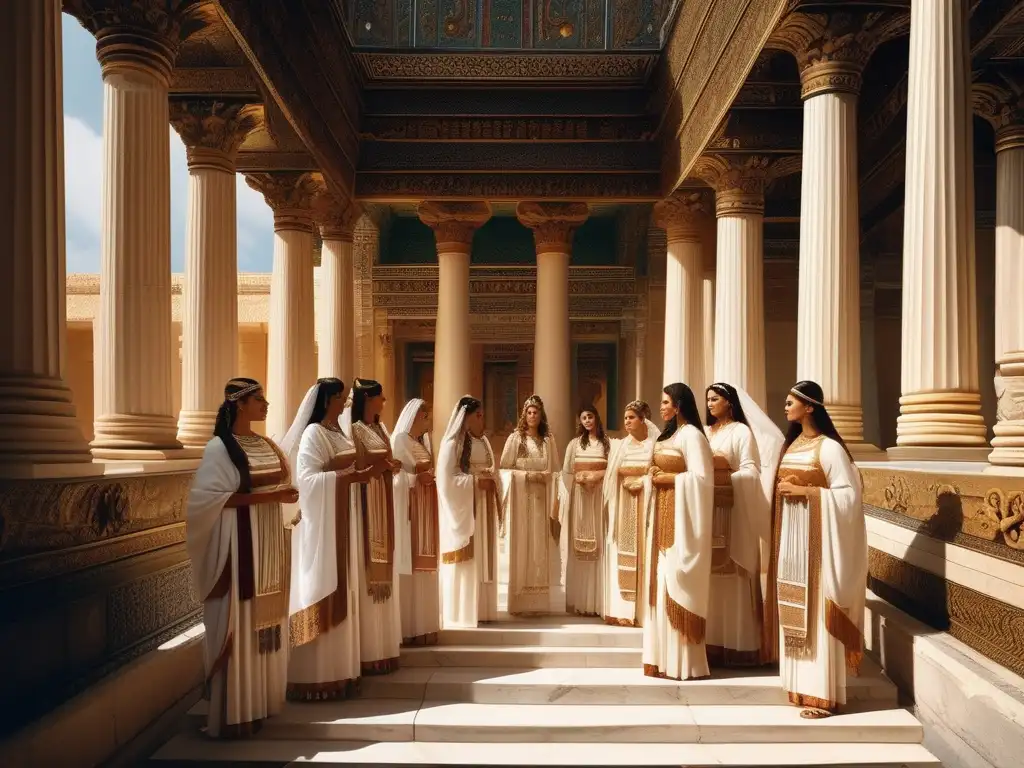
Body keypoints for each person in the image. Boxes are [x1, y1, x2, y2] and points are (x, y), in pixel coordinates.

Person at [186, 378, 298, 737]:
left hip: (267, 547)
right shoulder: (220, 448)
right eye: (258, 399)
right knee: (240, 620)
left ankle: (259, 703)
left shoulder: (266, 444)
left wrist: (283, 496)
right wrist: (272, 498)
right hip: (238, 550)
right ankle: (233, 712)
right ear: (239, 404)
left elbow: (280, 484)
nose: (265, 405)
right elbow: (211, 500)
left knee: (263, 626)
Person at [765, 380, 866, 719]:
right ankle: (799, 686)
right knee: (794, 607)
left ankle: (822, 693)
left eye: (791, 401)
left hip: (819, 546)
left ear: (810, 407)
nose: (785, 406)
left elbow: (849, 497)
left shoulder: (830, 449)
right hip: (792, 539)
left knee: (816, 612)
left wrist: (807, 493)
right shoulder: (792, 446)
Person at [278, 378, 363, 701]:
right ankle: (313, 677)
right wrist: (344, 475)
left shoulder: (338, 432)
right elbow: (308, 480)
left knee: (345, 587)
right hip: (322, 527)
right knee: (318, 587)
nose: (344, 403)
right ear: (327, 400)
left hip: (343, 519)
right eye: (340, 398)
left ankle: (339, 673)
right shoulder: (314, 433)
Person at [703, 382, 783, 667]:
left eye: (715, 399)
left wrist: (725, 478)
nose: (710, 403)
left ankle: (739, 645)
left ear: (728, 401)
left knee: (733, 577)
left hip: (734, 512)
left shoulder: (741, 432)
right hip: (707, 512)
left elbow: (751, 470)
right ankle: (710, 643)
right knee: (709, 579)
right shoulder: (705, 432)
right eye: (708, 399)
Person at [643, 383, 714, 681]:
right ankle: (662, 659)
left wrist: (669, 479)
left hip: (683, 526)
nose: (660, 407)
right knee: (662, 584)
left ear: (679, 405)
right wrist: (653, 478)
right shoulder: (668, 436)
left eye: (665, 402)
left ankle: (684, 663)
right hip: (663, 520)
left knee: (676, 582)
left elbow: (702, 479)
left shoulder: (694, 437)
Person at [346, 378, 403, 675]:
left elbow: (387, 459)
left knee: (385, 574)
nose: (384, 402)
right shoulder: (354, 429)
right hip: (366, 506)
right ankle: (369, 650)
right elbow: (354, 467)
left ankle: (383, 649)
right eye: (380, 397)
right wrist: (377, 469)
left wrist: (391, 467)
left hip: (384, 502)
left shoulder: (380, 429)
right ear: (368, 399)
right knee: (368, 576)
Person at [436, 396, 502, 627]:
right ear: (466, 417)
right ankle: (462, 611)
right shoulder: (452, 444)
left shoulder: (482, 441)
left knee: (484, 555)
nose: (482, 419)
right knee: (469, 556)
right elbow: (445, 481)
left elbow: (492, 469)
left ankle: (483, 609)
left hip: (483, 506)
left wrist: (491, 478)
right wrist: (475, 483)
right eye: (478, 415)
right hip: (467, 507)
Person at [499, 394, 561, 616]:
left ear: (541, 415)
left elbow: (555, 471)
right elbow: (504, 470)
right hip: (521, 499)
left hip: (542, 500)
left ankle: (538, 602)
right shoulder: (516, 439)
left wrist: (547, 478)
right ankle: (520, 602)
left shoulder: (548, 440)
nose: (533, 415)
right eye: (529, 412)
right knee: (522, 544)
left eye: (536, 412)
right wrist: (527, 476)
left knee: (539, 547)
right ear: (524, 415)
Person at [601, 400, 659, 626]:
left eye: (631, 417)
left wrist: (643, 482)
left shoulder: (655, 445)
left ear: (643, 419)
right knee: (623, 551)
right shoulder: (620, 446)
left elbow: (656, 473)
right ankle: (623, 610)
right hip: (623, 504)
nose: (627, 421)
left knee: (644, 553)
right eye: (625, 418)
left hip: (645, 503)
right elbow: (611, 476)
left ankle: (643, 611)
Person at [391, 398, 441, 645]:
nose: (427, 420)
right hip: (409, 511)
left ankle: (423, 625)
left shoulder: (420, 442)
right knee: (409, 567)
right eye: (424, 416)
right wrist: (415, 481)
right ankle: (408, 627)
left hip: (424, 509)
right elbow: (396, 476)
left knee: (423, 570)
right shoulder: (400, 440)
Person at [560, 406, 610, 617]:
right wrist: (577, 481)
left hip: (599, 498)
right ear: (580, 421)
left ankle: (597, 601)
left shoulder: (607, 444)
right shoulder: (574, 444)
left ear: (596, 417)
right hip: (579, 498)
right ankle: (579, 600)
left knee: (599, 544)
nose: (587, 420)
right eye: (583, 417)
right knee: (579, 546)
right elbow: (565, 472)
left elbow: (612, 469)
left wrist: (597, 476)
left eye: (590, 416)